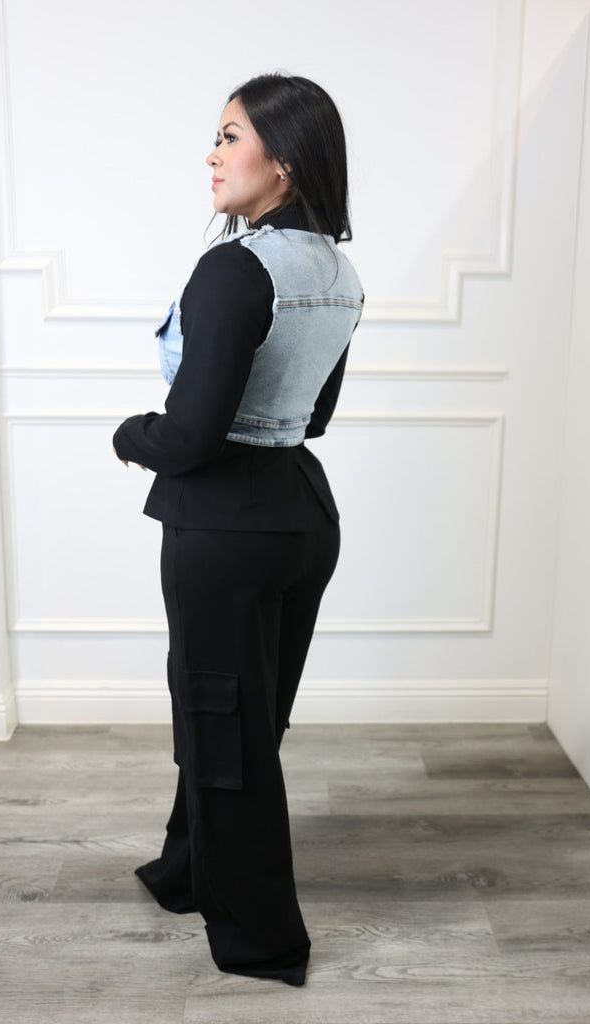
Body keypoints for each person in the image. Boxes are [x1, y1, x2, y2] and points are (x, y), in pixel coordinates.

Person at [113, 73, 363, 987]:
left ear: (284, 163)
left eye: (230, 137)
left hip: (226, 527)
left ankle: (263, 940)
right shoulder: (340, 272)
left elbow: (188, 436)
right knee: (246, 720)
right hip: (301, 511)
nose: (212, 155)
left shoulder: (235, 267)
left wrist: (126, 435)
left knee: (224, 727)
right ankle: (189, 870)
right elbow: (317, 414)